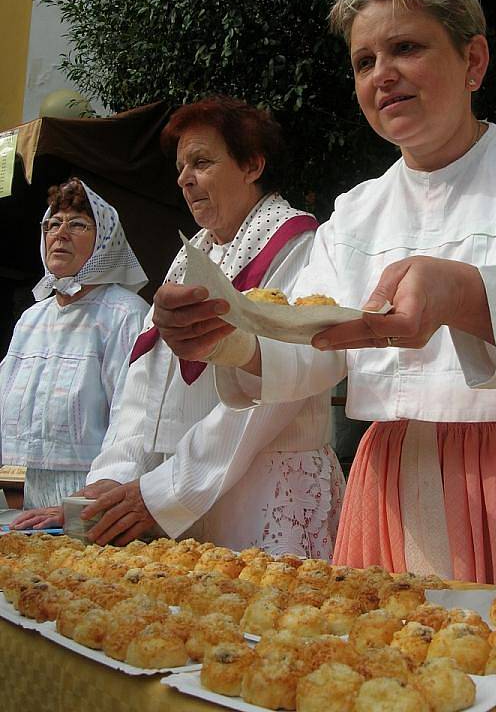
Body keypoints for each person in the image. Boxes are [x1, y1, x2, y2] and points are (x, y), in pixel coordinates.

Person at [150, 0, 496, 587]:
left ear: (473, 61)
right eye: (364, 61)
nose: (382, 73)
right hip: (391, 480)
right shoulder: (355, 210)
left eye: (407, 48)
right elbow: (311, 344)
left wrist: (467, 294)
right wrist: (224, 336)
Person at [16, 97, 345, 558]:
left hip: (269, 492)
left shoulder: (300, 245)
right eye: (180, 167)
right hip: (183, 496)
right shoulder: (194, 257)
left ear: (252, 165)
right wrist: (110, 481)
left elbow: (269, 401)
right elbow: (145, 383)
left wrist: (164, 492)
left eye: (202, 162)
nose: (184, 179)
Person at [1, 178, 148, 508]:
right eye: (52, 224)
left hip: (101, 493)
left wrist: (92, 497)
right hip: (35, 493)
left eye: (78, 224)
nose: (60, 233)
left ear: (105, 241)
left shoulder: (125, 314)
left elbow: (134, 416)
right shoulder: (32, 319)